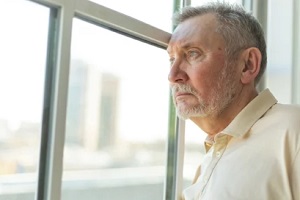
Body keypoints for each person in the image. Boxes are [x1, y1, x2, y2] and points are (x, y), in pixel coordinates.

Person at [167, 2, 300, 200]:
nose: (172, 75)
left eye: (192, 53)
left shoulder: (294, 128)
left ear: (247, 65)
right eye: (171, 59)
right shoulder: (208, 162)